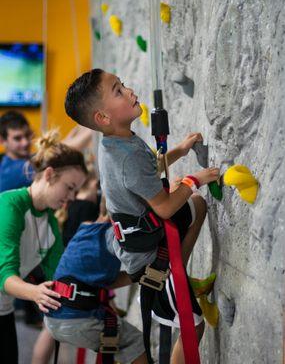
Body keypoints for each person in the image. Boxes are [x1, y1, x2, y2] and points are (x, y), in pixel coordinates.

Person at [64, 69, 220, 362]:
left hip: (148, 234)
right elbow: (164, 207)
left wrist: (180, 150)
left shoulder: (117, 142)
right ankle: (173, 280)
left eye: (122, 84)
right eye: (118, 91)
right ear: (103, 118)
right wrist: (193, 179)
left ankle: (179, 276)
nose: (130, 90)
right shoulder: (125, 156)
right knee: (192, 325)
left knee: (197, 207)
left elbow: (149, 171)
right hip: (150, 262)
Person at [0, 130, 88, 364]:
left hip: (4, 309)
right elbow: (4, 275)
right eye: (69, 187)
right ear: (49, 174)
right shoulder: (11, 205)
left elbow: (60, 275)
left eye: (76, 191)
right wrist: (36, 293)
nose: (71, 197)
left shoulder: (49, 221)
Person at [45, 209, 147, 364]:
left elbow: (106, 282)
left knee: (119, 344)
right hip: (76, 318)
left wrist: (138, 275)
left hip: (57, 317)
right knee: (134, 342)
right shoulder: (110, 234)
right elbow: (137, 251)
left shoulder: (84, 232)